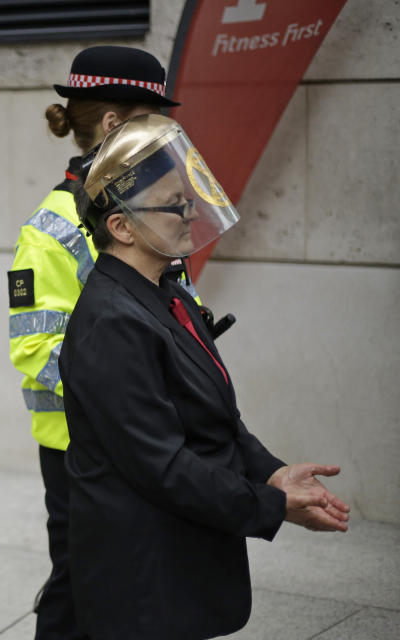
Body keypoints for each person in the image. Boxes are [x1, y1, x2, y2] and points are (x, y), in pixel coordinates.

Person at [60, 113, 350, 639]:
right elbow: (161, 465)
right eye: (173, 202)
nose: (190, 210)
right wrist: (272, 506)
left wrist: (271, 472)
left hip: (181, 553)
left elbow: (217, 418)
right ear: (121, 227)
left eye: (187, 197)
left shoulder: (165, 293)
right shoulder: (111, 321)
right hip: (145, 570)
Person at [7, 46, 196, 639]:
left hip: (147, 438)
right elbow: (38, 353)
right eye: (151, 119)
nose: (166, 134)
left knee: (140, 585)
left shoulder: (146, 206)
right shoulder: (53, 227)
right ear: (114, 125)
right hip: (83, 450)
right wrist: (135, 393)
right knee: (79, 588)